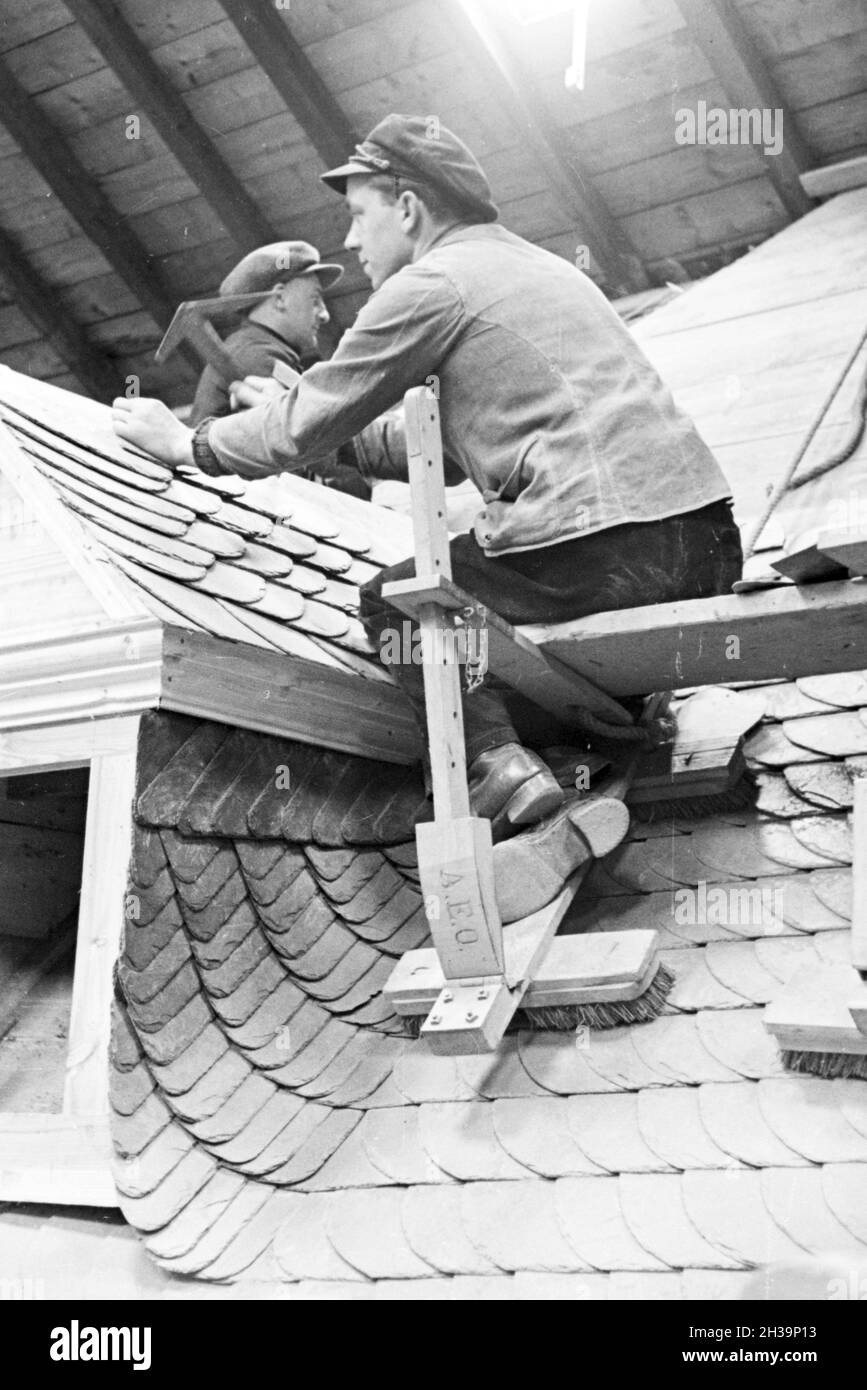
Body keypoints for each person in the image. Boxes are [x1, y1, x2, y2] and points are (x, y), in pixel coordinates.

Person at [113, 113, 743, 841]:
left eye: (357, 215)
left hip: (604, 544)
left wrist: (188, 442)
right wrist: (323, 434)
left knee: (401, 603)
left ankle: (497, 771)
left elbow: (296, 428)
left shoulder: (432, 285)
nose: (350, 242)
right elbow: (437, 452)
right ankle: (581, 746)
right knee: (500, 647)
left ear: (407, 207)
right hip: (704, 543)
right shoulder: (539, 267)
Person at [188, 240, 341, 426]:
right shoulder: (258, 358)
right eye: (315, 300)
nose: (325, 315)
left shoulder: (256, 350)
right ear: (280, 298)